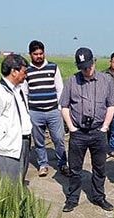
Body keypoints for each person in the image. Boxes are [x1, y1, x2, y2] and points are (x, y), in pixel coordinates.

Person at [60, 47, 114, 212]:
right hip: (78, 132)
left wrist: (105, 127)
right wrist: (71, 128)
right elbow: (64, 106)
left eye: (89, 66)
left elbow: (111, 105)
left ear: (94, 62)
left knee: (100, 168)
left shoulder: (106, 80)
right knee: (75, 169)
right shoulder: (72, 81)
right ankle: (72, 199)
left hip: (98, 132)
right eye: (83, 67)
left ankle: (99, 197)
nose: (86, 70)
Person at [22, 40, 71, 177]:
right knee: (39, 141)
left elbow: (60, 88)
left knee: (58, 139)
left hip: (53, 111)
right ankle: (43, 164)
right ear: (30, 54)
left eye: (41, 53)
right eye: (35, 54)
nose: (39, 56)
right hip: (35, 112)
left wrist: (60, 108)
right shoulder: (27, 71)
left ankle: (62, 163)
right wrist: (27, 111)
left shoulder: (53, 67)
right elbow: (25, 92)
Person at [0, 54, 32, 184]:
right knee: (9, 186)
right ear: (13, 71)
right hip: (8, 148)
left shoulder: (19, 89)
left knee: (19, 182)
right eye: (23, 72)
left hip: (23, 142)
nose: (25, 75)